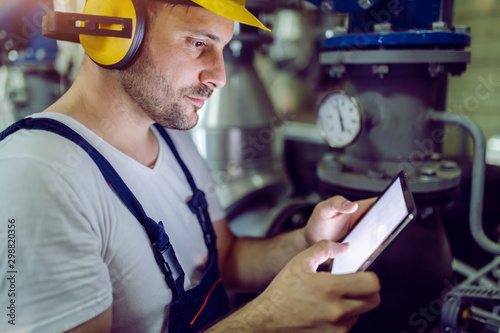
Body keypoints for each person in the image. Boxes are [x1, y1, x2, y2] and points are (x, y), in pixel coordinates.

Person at [0, 0, 380, 332]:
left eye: (223, 49)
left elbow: (225, 257)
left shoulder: (172, 138)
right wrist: (267, 320)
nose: (220, 76)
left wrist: (307, 242)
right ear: (114, 32)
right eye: (199, 44)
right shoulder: (36, 176)